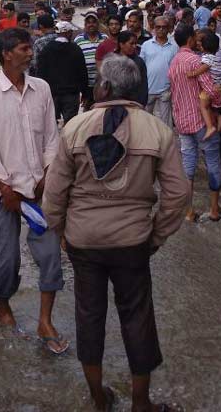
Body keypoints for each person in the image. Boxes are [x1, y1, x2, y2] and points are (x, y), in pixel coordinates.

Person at [42, 54, 190, 412]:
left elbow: (53, 196)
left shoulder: (74, 127)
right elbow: (179, 194)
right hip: (133, 242)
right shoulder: (158, 130)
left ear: (105, 87)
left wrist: (62, 233)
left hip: (84, 241)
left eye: (98, 82)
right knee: (137, 318)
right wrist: (156, 235)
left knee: (88, 317)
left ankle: (99, 399)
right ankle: (142, 404)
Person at [0, 28, 68, 354]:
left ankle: (45, 320)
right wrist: (6, 188)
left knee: (50, 255)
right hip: (5, 195)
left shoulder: (41, 89)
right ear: (7, 53)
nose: (31, 53)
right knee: (7, 257)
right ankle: (3, 305)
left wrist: (46, 176)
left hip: (39, 190)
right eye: (25, 48)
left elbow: (52, 138)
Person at [168, 24, 221, 222]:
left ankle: (189, 212)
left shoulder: (174, 61)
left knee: (188, 166)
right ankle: (214, 210)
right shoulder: (195, 61)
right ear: (191, 38)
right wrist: (220, 108)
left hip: (182, 121)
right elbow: (210, 89)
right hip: (202, 120)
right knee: (212, 163)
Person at [36, 21, 89, 124]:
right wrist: (85, 93)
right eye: (71, 32)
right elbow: (82, 72)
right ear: (68, 33)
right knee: (71, 124)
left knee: (51, 124)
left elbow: (41, 73)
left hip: (51, 95)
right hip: (71, 95)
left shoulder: (46, 50)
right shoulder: (75, 49)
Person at [140, 16, 179, 127]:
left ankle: (165, 143)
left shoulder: (174, 47)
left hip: (165, 90)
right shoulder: (146, 45)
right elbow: (141, 66)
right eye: (158, 27)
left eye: (164, 27)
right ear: (154, 28)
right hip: (148, 89)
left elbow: (175, 69)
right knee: (145, 121)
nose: (161, 30)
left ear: (168, 29)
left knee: (166, 123)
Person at [74, 11, 107, 110]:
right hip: (86, 84)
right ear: (85, 25)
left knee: (102, 110)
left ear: (98, 24)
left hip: (102, 83)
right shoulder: (78, 40)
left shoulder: (105, 38)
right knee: (88, 111)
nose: (91, 24)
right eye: (88, 22)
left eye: (94, 22)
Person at [115, 30, 148, 106]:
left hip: (134, 105)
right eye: (131, 43)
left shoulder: (139, 62)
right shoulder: (111, 61)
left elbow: (143, 87)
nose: (134, 46)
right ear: (121, 44)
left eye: (135, 43)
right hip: (114, 104)